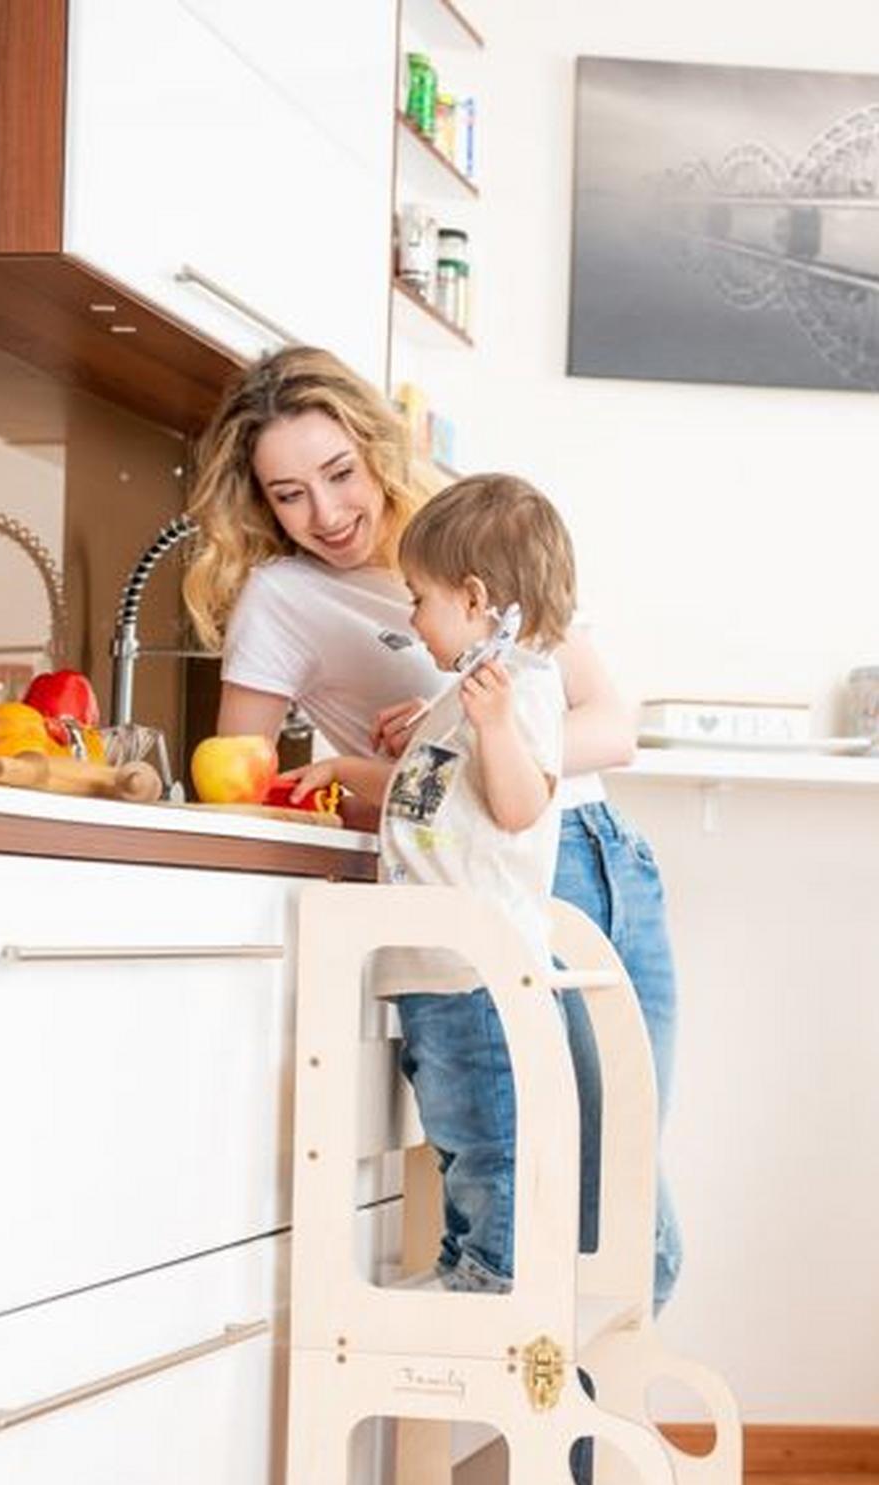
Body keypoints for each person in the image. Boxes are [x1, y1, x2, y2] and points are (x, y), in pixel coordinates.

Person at [184, 344, 681, 1306]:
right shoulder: (282, 600)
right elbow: (240, 781)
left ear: (375, 449)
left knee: (624, 1184)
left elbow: (612, 726)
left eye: (337, 474)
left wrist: (460, 734)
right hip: (501, 883)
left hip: (605, 860)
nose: (325, 514)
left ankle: (592, 1445)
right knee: (584, 1216)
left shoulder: (462, 546)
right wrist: (445, 754)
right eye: (288, 494)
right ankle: (573, 1449)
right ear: (261, 504)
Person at [281, 473, 568, 1290]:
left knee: (487, 1141)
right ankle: (471, 1260)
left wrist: (495, 724)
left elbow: (519, 808)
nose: (412, 618)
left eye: (420, 598)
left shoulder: (522, 696)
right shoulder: (465, 701)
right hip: (437, 975)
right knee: (458, 1135)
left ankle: (495, 1276)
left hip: (474, 976)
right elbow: (435, 796)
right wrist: (343, 770)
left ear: (475, 601)